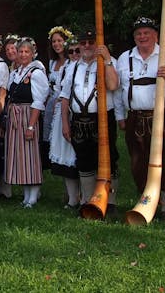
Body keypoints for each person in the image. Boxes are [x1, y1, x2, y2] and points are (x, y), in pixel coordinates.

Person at [116, 16, 165, 221]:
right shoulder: (125, 58)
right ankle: (147, 203)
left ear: (156, 35)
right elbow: (120, 91)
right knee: (138, 162)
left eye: (147, 32)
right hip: (135, 117)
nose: (142, 36)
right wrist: (121, 116)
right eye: (138, 33)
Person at [59, 30, 122, 212]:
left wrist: (107, 60)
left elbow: (113, 85)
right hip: (79, 120)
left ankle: (110, 202)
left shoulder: (108, 62)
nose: (87, 46)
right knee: (84, 160)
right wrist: (65, 123)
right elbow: (65, 96)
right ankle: (87, 201)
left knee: (109, 159)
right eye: (83, 42)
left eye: (91, 42)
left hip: (102, 119)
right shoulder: (73, 67)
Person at [0, 37, 47, 208]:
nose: (23, 54)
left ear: (33, 54)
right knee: (21, 156)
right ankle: (26, 195)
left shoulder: (37, 72)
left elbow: (39, 101)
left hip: (28, 115)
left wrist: (31, 125)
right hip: (15, 116)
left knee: (30, 155)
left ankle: (33, 195)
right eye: (21, 51)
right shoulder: (17, 73)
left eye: (27, 52)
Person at [45, 26, 80, 207]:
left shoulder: (73, 64)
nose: (57, 44)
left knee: (72, 152)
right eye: (54, 41)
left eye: (60, 41)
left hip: (72, 109)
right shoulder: (53, 63)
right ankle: (70, 194)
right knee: (62, 151)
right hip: (58, 109)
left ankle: (77, 195)